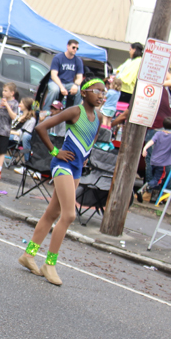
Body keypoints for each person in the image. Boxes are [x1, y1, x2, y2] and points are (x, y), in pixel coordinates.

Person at [18, 78, 106, 286]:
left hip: (76, 168)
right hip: (62, 165)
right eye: (97, 91)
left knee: (52, 213)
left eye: (104, 92)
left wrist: (85, 157)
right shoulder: (75, 111)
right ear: (84, 93)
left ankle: (28, 255)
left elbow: (92, 139)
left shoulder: (99, 117)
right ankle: (50, 263)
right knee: (69, 214)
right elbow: (41, 127)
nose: (101, 95)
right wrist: (55, 151)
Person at [140, 116, 171, 198]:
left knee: (155, 177)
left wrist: (145, 148)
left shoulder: (158, 133)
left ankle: (154, 197)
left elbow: (151, 141)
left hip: (154, 161)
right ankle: (144, 188)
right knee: (158, 180)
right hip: (163, 163)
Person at [42, 39, 84, 112]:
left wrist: (75, 85)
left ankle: (75, 112)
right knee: (54, 90)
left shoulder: (78, 61)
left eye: (77, 48)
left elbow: (79, 77)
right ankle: (46, 111)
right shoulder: (58, 58)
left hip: (69, 84)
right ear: (67, 46)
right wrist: (61, 87)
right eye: (73, 47)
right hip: (56, 82)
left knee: (79, 90)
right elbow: (53, 75)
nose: (75, 50)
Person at [10, 97, 36, 169]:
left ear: (26, 105)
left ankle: (27, 164)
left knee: (0, 134)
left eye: (21, 103)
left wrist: (9, 131)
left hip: (16, 137)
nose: (19, 104)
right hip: (9, 133)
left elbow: (24, 133)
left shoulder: (31, 120)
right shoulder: (19, 116)